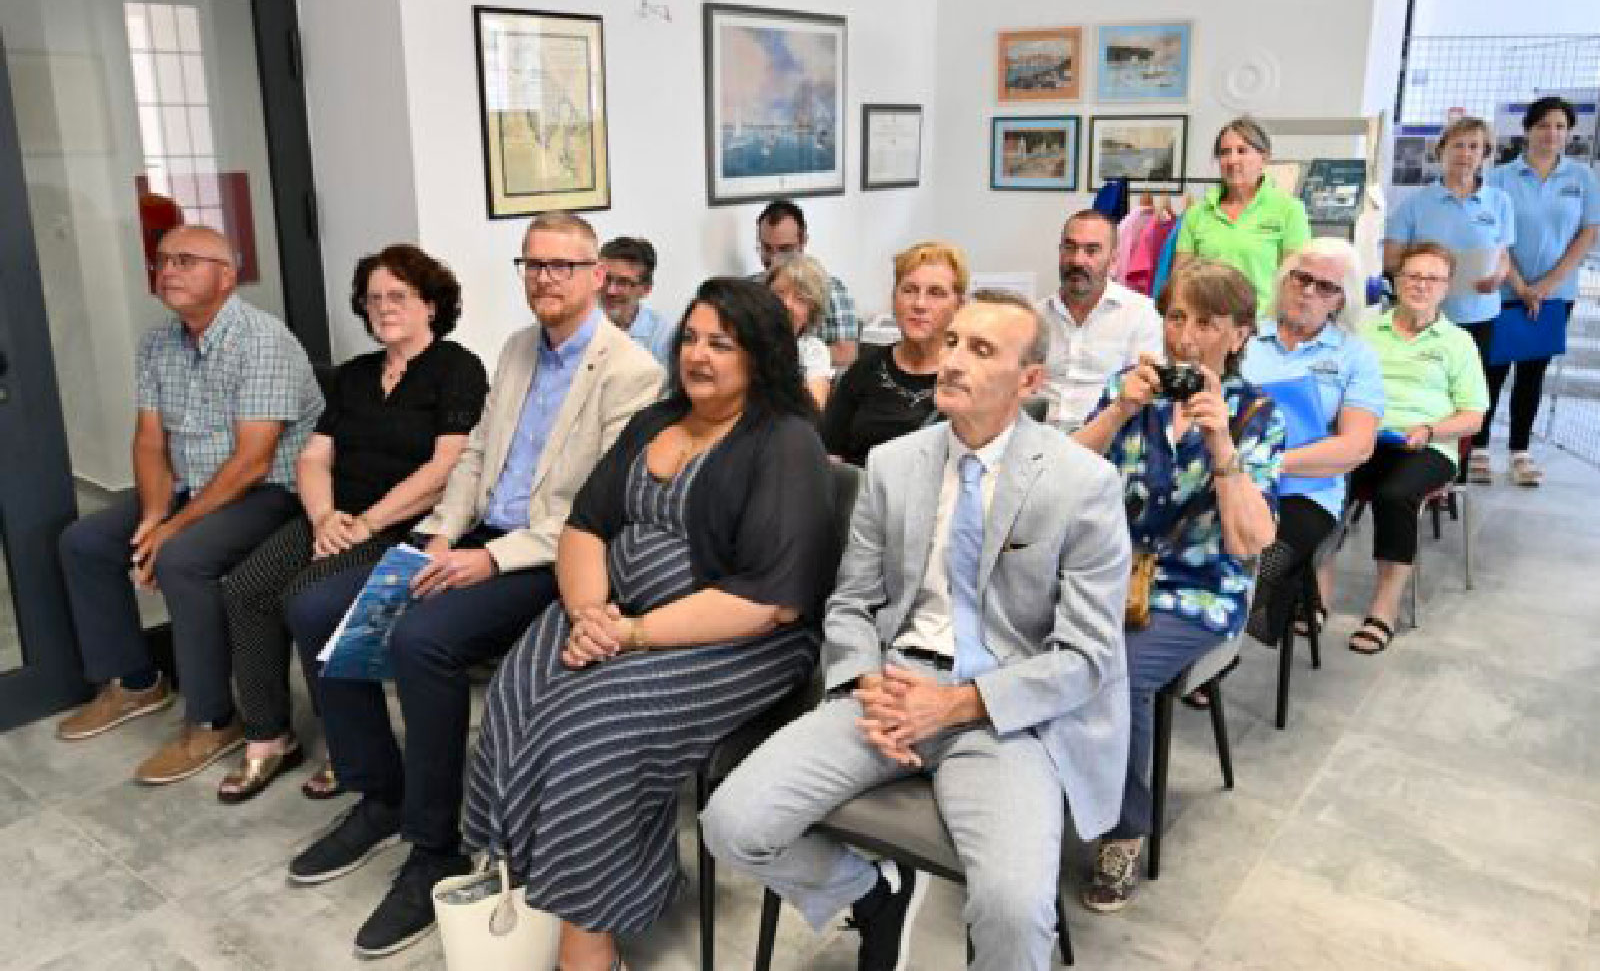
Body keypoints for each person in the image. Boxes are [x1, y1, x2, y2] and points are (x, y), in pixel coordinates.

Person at [703, 289, 1132, 971]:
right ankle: (874, 895)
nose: (953, 360)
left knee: (1015, 911)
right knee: (731, 826)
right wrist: (866, 681)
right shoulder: (896, 463)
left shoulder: (1083, 483)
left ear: (1029, 380)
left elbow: (1085, 656)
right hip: (895, 685)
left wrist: (956, 705)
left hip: (1007, 711)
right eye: (954, 341)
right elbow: (852, 601)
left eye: (981, 350)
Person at [282, 211, 663, 959]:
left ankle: (436, 847)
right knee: (315, 606)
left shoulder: (632, 372)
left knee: (421, 639)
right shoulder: (518, 348)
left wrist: (489, 560)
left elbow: (597, 508)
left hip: (549, 557)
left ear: (595, 276)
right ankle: (381, 794)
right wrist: (442, 535)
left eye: (561, 266)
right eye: (533, 264)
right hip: (473, 532)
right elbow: (475, 456)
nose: (545, 279)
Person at [461, 278, 835, 971]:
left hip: (739, 638)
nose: (698, 355)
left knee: (592, 728)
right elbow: (586, 525)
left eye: (721, 344)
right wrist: (589, 614)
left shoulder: (786, 442)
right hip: (609, 614)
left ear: (761, 356)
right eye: (690, 338)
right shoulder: (654, 420)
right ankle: (538, 886)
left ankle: (590, 941)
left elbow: (769, 602)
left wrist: (631, 635)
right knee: (517, 692)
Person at [216, 245, 488, 804]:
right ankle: (269, 735)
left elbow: (446, 470)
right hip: (336, 516)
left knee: (307, 597)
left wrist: (366, 524)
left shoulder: (457, 368)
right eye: (373, 298)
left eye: (398, 296)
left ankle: (348, 748)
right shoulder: (354, 375)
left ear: (431, 305)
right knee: (245, 587)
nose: (383, 307)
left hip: (404, 526)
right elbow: (314, 457)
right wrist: (323, 517)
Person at [55, 224, 322, 787]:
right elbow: (150, 441)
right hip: (191, 486)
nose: (168, 270)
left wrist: (172, 531)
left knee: (182, 558)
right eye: (162, 261)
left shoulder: (263, 341)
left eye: (185, 260)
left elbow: (252, 461)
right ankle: (135, 682)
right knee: (86, 542)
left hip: (270, 492)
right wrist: (154, 517)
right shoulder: (157, 343)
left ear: (226, 276)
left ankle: (212, 720)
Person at [1074, 262, 1285, 911]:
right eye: (1176, 318)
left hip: (1199, 590)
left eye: (1207, 323)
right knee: (1022, 633)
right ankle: (1043, 788)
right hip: (1110, 575)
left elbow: (1252, 541)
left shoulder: (1255, 415)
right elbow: (1059, 481)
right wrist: (1119, 411)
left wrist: (1220, 442)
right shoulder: (1129, 389)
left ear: (1240, 334)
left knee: (1118, 671)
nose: (1185, 337)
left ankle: (1123, 829)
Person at [1342, 243, 1487, 656]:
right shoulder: (1366, 332)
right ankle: (1311, 595)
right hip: (1366, 437)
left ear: (1446, 287)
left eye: (1432, 278)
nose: (1421, 285)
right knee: (1321, 481)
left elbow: (1473, 417)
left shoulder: (1458, 343)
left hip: (1429, 446)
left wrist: (1429, 429)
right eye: (1413, 276)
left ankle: (1384, 609)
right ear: (1397, 281)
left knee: (1394, 495)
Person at [1239, 240, 1383, 640]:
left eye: (1325, 287)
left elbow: (1357, 447)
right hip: (1230, 475)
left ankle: (1223, 646)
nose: (1308, 292)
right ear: (1284, 280)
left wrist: (1269, 463)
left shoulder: (1356, 356)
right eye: (1301, 279)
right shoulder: (1245, 336)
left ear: (1341, 300)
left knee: (1263, 562)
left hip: (1305, 489)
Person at [1382, 116, 1512, 481]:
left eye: (1474, 147)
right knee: (1425, 389)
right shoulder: (1415, 204)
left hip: (1478, 315)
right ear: (1441, 151)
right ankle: (1412, 463)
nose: (1465, 154)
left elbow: (1503, 255)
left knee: (1470, 397)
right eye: (1457, 145)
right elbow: (1391, 259)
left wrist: (1499, 276)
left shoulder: (1499, 202)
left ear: (1485, 154)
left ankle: (1457, 471)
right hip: (1423, 316)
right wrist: (1428, 271)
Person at [1483, 96, 1600, 486]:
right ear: (1528, 130)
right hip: (1502, 289)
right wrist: (1519, 285)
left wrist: (1546, 286)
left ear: (1569, 133)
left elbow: (1588, 233)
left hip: (1555, 295)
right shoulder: (1500, 177)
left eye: (1560, 127)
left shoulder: (1582, 178)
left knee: (1532, 373)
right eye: (1544, 125)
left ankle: (1520, 451)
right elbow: (1493, 235)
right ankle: (1479, 447)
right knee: (1491, 371)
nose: (1552, 133)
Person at [822, 240, 966, 465]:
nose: (919, 304)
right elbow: (829, 452)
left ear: (959, 305)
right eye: (909, 290)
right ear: (893, 298)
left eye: (936, 293)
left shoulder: (967, 377)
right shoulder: (865, 369)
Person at [1037, 210, 1163, 431]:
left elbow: (1145, 392)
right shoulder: (1034, 316)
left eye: (1091, 250)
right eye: (1070, 248)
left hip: (1108, 439)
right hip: (1040, 438)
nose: (1077, 260)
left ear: (1113, 260)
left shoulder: (1141, 314)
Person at [1174, 117, 1312, 312]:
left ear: (1264, 158)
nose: (1232, 160)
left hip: (1262, 325)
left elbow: (1296, 283)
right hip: (1207, 322)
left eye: (1242, 150)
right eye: (1224, 152)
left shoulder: (1289, 210)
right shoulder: (1197, 213)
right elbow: (1181, 280)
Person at [757, 199, 860, 366]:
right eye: (767, 248)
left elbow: (846, 353)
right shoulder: (750, 288)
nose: (774, 258)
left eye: (784, 249)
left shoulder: (831, 288)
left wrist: (803, 354)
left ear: (803, 241)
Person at [766, 254, 834, 410]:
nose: (787, 304)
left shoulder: (812, 350)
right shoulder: (745, 338)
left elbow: (813, 410)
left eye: (800, 299)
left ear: (811, 312)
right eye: (779, 293)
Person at [600, 235, 674, 364]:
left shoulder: (662, 337)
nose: (610, 290)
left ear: (646, 289)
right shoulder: (579, 319)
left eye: (623, 282)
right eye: (606, 279)